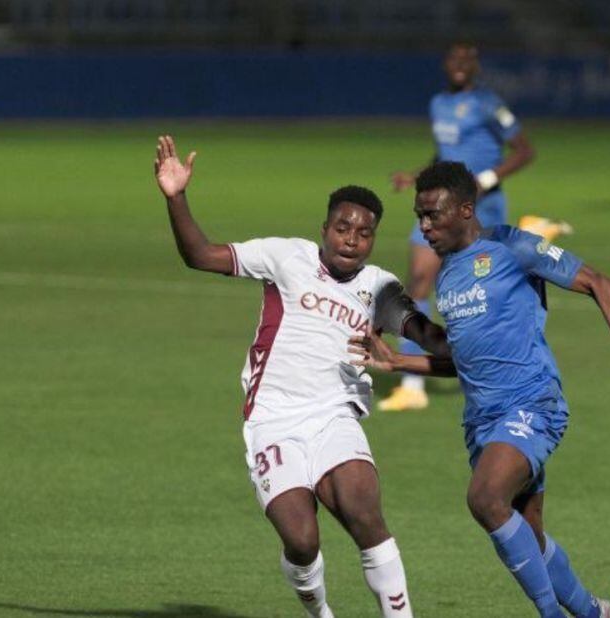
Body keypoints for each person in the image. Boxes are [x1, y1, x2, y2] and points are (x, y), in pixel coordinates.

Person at [351, 162, 610, 617]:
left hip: (532, 403)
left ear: (466, 209)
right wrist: (397, 360)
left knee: (485, 498)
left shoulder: (510, 245)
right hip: (482, 421)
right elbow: (463, 360)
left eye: (432, 214)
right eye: (419, 215)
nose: (423, 226)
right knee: (529, 532)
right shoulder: (449, 276)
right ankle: (594, 613)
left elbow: (598, 281)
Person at [153, 135, 430, 617]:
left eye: (364, 233)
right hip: (273, 419)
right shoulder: (286, 257)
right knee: (302, 542)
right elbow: (199, 255)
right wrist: (177, 197)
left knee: (365, 512)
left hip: (334, 415)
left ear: (373, 240)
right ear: (325, 228)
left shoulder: (380, 286)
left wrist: (478, 334)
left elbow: (428, 334)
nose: (352, 238)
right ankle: (320, 612)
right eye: (343, 227)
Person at [384, 41, 570, 412]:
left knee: (485, 292)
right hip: (439, 207)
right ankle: (412, 386)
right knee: (419, 280)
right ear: (445, 63)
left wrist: (484, 179)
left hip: (481, 210)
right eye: (454, 59)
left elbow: (524, 151)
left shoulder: (489, 104)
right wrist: (418, 175)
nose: (460, 65)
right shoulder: (438, 104)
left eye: (467, 60)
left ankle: (532, 239)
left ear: (475, 67)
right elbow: (445, 157)